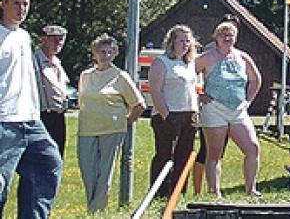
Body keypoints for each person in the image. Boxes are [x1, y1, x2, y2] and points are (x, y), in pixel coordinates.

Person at [0, 0, 63, 218]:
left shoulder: (24, 36)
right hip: (4, 122)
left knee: (49, 165)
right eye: (16, 3)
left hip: (31, 121)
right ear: (3, 4)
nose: (21, 9)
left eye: (25, 3)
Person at [77, 34, 146, 212]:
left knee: (104, 172)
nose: (105, 56)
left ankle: (95, 210)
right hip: (87, 129)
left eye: (110, 52)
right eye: (102, 52)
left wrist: (127, 122)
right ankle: (92, 205)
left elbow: (139, 105)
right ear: (94, 54)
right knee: (88, 170)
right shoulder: (85, 76)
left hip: (112, 129)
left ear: (115, 54)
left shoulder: (120, 76)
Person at [196, 20, 263, 197]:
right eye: (223, 34)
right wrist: (199, 95)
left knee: (252, 148)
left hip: (238, 109)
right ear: (216, 37)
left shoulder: (243, 57)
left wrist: (248, 100)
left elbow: (256, 80)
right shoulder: (207, 57)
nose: (227, 38)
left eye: (230, 35)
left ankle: (250, 189)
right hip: (214, 108)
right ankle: (214, 191)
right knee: (214, 152)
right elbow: (188, 76)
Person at [148, 24, 199, 198]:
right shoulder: (161, 62)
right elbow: (156, 90)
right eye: (181, 40)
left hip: (189, 114)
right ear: (172, 42)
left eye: (188, 41)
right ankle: (160, 194)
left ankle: (179, 193)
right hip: (168, 115)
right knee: (165, 156)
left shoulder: (190, 63)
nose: (185, 44)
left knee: (184, 157)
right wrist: (166, 116)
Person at [34, 24, 70, 157]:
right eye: (54, 39)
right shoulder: (34, 62)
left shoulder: (57, 63)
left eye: (61, 39)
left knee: (57, 156)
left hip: (58, 116)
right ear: (43, 39)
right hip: (42, 116)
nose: (58, 43)